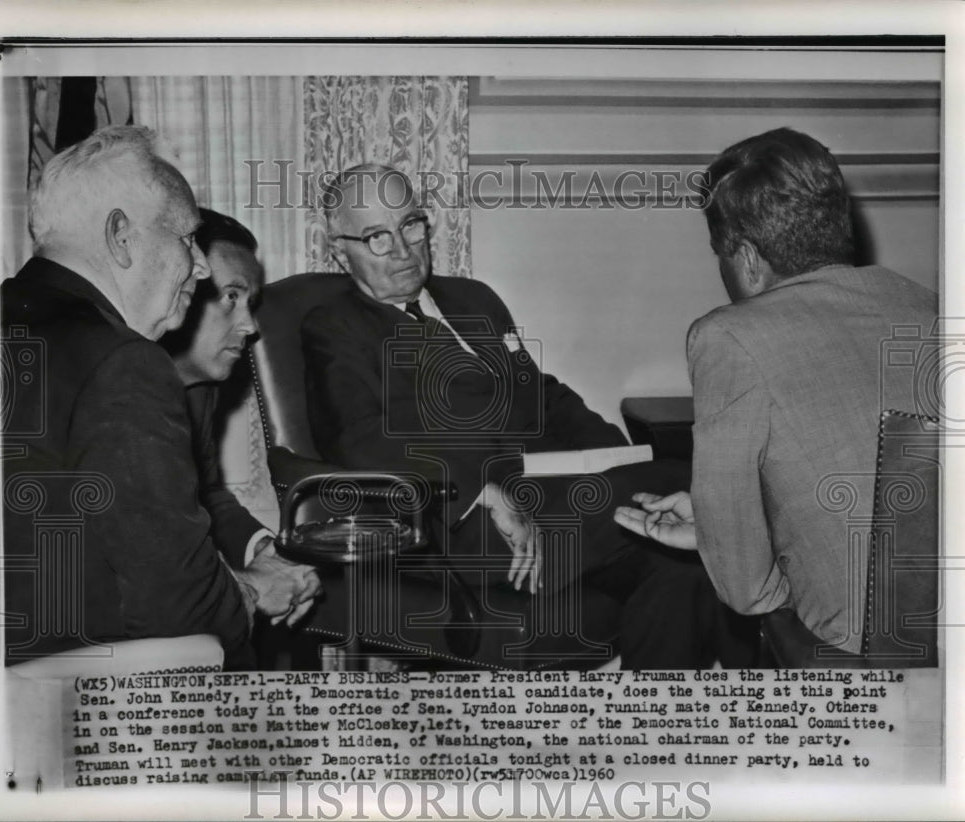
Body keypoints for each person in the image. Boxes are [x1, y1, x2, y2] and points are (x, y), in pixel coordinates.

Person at [302, 164, 750, 668]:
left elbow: (540, 394)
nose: (404, 250)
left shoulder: (474, 299)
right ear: (340, 250)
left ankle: (653, 740)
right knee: (702, 484)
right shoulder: (333, 327)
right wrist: (479, 490)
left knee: (684, 577)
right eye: (376, 238)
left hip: (554, 494)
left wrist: (616, 454)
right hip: (456, 522)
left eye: (410, 224)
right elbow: (356, 441)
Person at [614, 127, 938, 655]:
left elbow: (747, 591)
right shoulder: (933, 307)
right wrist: (720, 528)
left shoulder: (727, 337)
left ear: (744, 257)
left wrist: (737, 550)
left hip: (865, 655)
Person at [3, 127, 241, 667]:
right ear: (121, 236)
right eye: (186, 238)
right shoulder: (123, 363)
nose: (201, 267)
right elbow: (180, 608)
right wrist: (246, 604)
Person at [161, 208, 320, 629]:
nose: (249, 325)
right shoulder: (113, 389)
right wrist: (248, 587)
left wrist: (266, 551)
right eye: (230, 297)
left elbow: (207, 494)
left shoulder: (201, 390)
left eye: (250, 302)